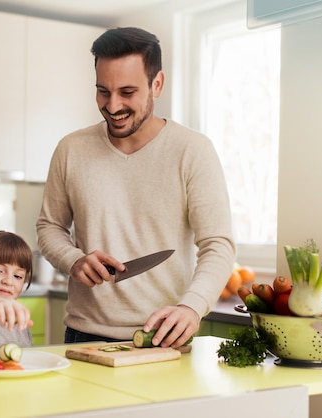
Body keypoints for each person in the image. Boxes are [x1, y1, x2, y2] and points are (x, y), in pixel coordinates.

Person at [36, 27, 236, 347]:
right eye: (103, 91)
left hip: (163, 336)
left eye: (127, 92)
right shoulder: (71, 149)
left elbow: (218, 245)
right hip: (83, 336)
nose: (113, 106)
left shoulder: (192, 150)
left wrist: (191, 306)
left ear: (157, 84)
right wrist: (73, 259)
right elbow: (50, 226)